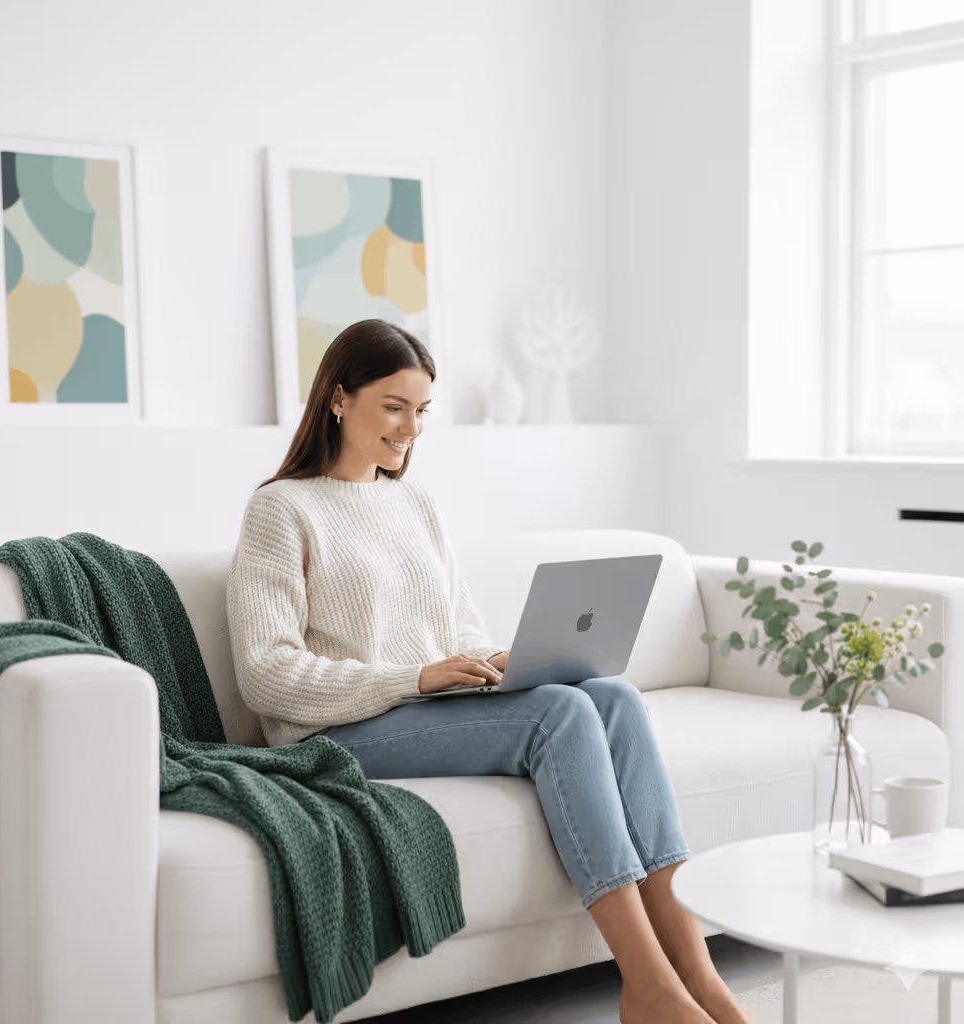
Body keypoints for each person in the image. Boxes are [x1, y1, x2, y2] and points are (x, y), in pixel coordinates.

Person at [226, 319, 750, 1024]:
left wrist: (497, 660)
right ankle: (647, 986)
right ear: (339, 399)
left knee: (613, 698)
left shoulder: (415, 504)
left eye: (421, 411)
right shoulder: (280, 509)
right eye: (393, 406)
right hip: (335, 732)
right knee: (560, 715)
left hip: (418, 709)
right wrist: (417, 677)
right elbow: (266, 674)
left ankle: (699, 974)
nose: (410, 428)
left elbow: (458, 624)